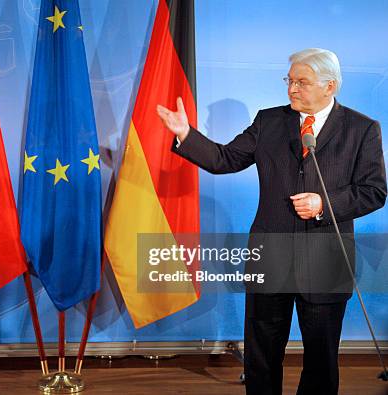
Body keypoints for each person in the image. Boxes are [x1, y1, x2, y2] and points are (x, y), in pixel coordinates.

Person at [157, 48, 386, 395]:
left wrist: (324, 203)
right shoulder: (269, 121)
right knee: (262, 354)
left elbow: (374, 191)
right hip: (271, 255)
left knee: (321, 359)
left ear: (330, 86)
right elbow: (224, 159)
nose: (292, 89)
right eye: (289, 80)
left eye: (302, 82)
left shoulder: (362, 128)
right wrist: (186, 133)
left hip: (326, 260)